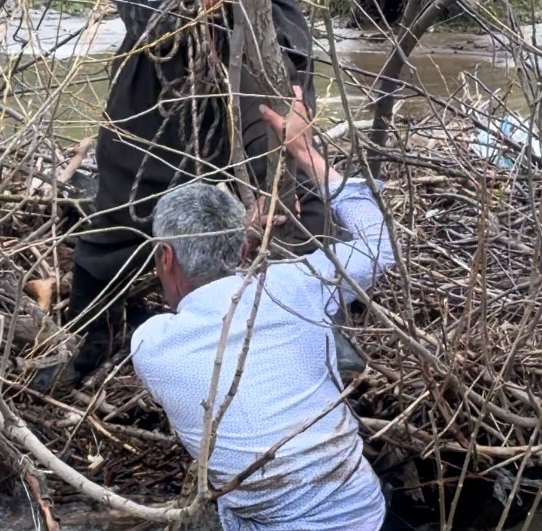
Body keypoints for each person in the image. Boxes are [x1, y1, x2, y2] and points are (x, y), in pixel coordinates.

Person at [129, 87, 395, 531]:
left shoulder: (151, 346)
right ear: (247, 248)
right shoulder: (297, 285)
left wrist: (242, 235)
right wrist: (307, 155)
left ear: (164, 258)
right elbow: (379, 246)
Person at [54, 0, 346, 386]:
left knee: (291, 188)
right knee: (126, 188)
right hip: (162, 60)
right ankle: (98, 331)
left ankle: (317, 328)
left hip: (261, 38)